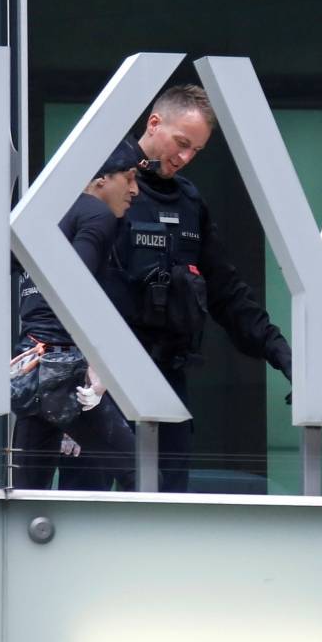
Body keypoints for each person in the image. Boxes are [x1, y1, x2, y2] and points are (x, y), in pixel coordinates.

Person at [107, 83, 292, 491]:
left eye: (196, 151)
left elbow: (226, 291)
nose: (185, 158)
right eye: (181, 142)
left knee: (166, 519)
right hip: (103, 381)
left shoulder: (189, 202)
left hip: (168, 380)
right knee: (88, 513)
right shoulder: (104, 184)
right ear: (154, 123)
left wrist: (281, 353)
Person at [11, 160, 142, 490]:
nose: (134, 190)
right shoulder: (97, 215)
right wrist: (96, 366)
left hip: (32, 363)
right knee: (141, 476)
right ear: (99, 179)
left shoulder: (44, 217)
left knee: (28, 488)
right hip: (67, 365)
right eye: (128, 178)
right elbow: (73, 288)